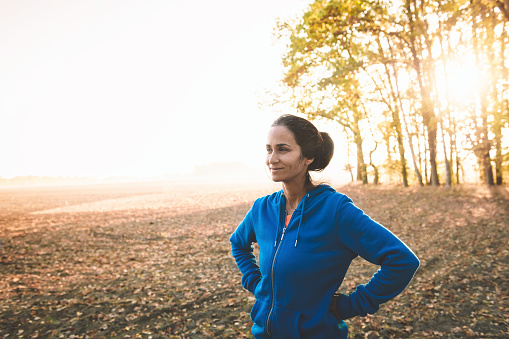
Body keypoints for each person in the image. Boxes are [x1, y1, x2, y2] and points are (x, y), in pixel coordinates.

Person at [229, 114, 420, 338]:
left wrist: (351, 305)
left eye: (283, 149)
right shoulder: (262, 209)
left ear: (307, 156)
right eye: (269, 149)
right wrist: (255, 283)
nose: (272, 158)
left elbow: (401, 261)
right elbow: (238, 243)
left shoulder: (335, 210)